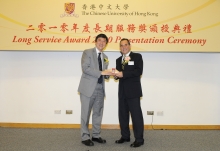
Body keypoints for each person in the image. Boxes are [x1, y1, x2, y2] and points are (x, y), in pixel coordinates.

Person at [78, 33, 113, 146]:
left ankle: (96, 135)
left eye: (104, 41)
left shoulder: (106, 58)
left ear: (106, 44)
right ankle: (85, 136)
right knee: (85, 113)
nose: (101, 43)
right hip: (88, 88)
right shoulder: (87, 52)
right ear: (95, 41)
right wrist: (102, 72)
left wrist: (111, 74)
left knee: (98, 113)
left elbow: (105, 73)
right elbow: (85, 68)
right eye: (99, 40)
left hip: (100, 88)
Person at [114, 38, 144, 148]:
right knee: (122, 116)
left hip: (133, 91)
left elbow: (138, 71)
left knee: (136, 116)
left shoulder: (137, 57)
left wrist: (123, 74)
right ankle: (125, 136)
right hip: (122, 92)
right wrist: (115, 75)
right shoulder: (118, 60)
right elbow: (118, 74)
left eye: (125, 45)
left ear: (129, 46)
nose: (124, 47)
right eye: (121, 45)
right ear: (120, 48)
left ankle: (139, 139)